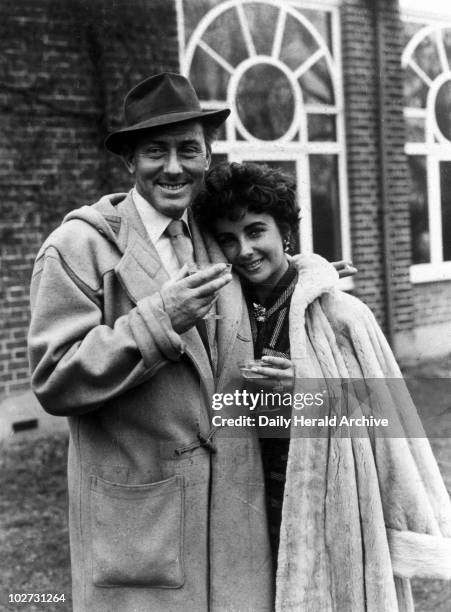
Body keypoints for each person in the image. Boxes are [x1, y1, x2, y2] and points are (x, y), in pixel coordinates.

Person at [27, 73, 275, 612]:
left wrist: (304, 278)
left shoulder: (214, 238)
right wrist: (159, 318)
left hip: (232, 520)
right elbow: (53, 377)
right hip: (140, 525)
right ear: (129, 163)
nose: (173, 167)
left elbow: (261, 279)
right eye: (154, 151)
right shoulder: (78, 247)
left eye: (189, 150)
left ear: (207, 157)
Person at [193, 161, 451, 612]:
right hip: (249, 507)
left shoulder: (342, 316)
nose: (245, 250)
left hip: (333, 503)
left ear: (285, 233)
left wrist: (306, 387)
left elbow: (385, 414)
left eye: (256, 232)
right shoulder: (224, 314)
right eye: (229, 240)